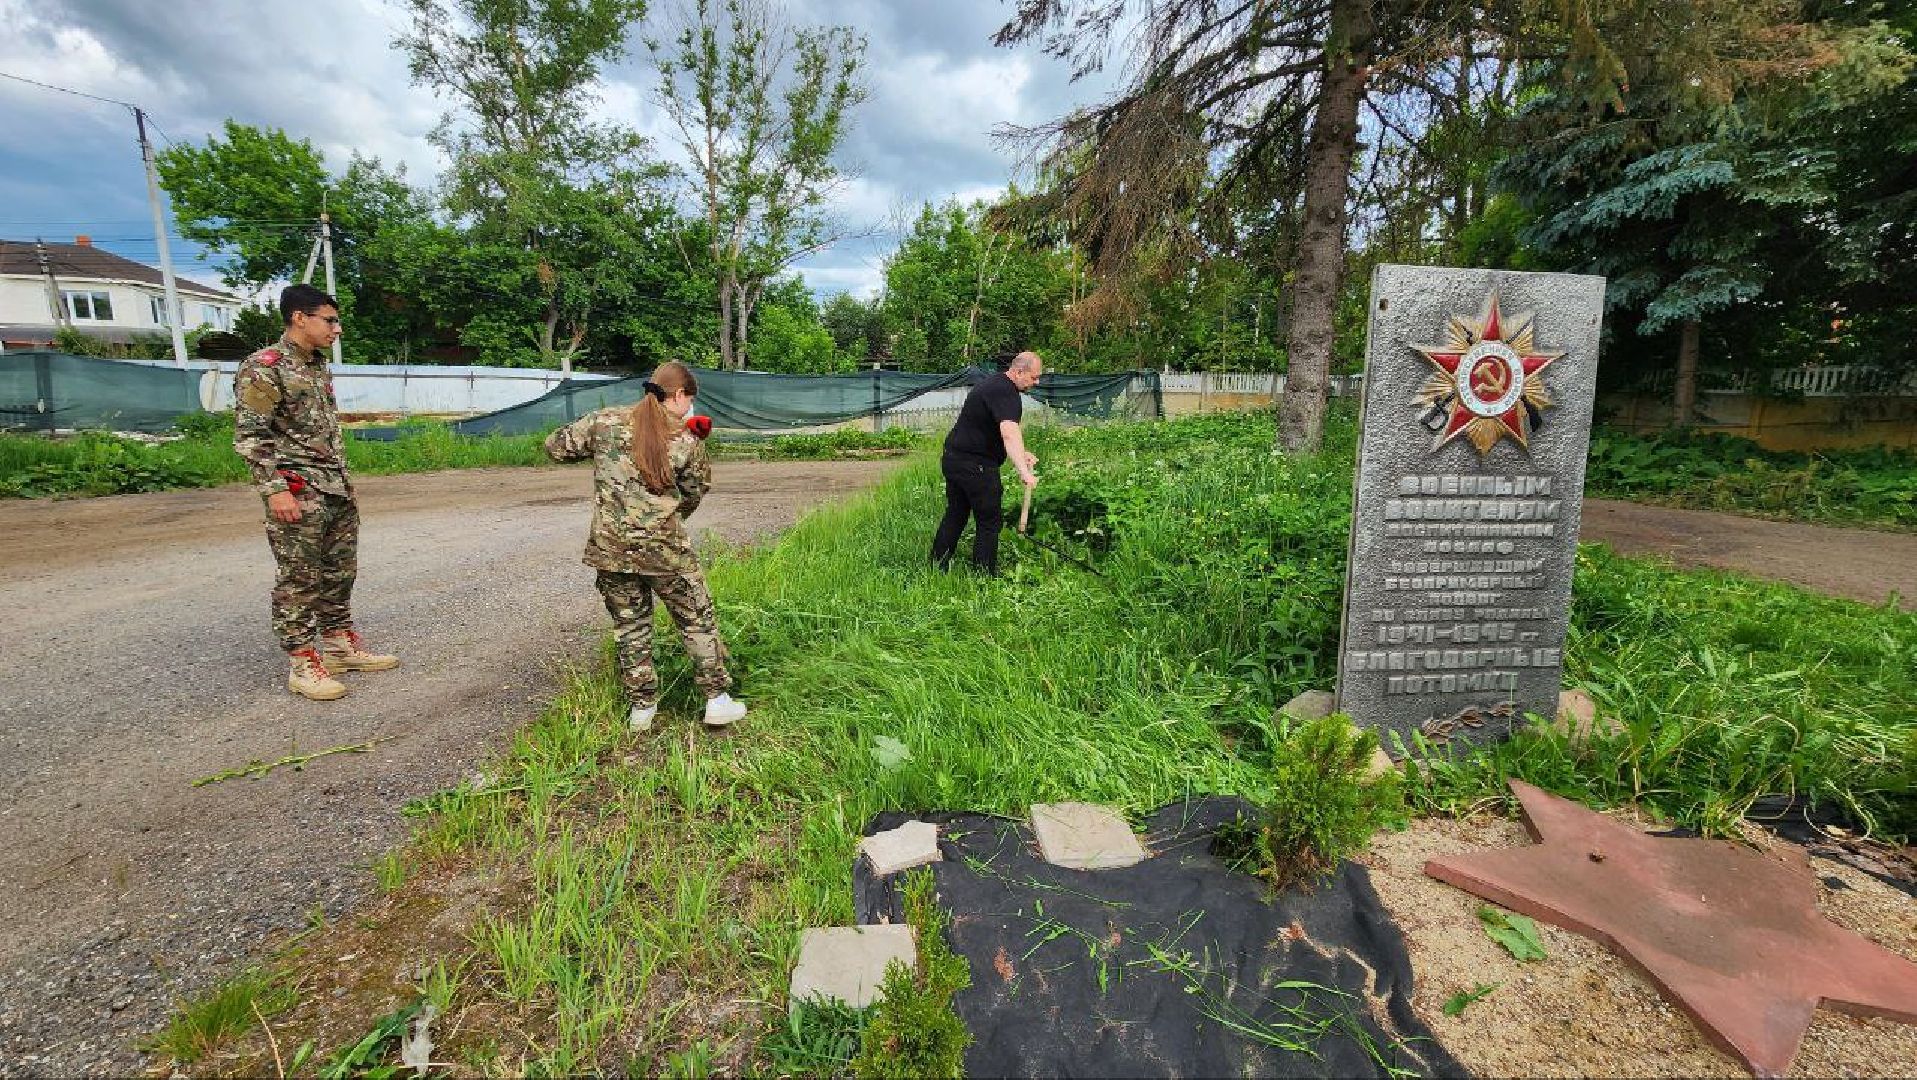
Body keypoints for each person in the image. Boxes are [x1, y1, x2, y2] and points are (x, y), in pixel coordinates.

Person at [544, 362, 746, 732]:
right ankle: (716, 701)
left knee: (631, 627)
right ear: (680, 395)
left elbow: (556, 447)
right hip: (666, 551)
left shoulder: (603, 422)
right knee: (696, 621)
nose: (691, 408)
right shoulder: (686, 441)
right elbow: (693, 494)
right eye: (691, 400)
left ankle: (642, 709)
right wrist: (666, 516)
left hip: (611, 550)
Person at [233, 284, 399, 701]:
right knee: (300, 577)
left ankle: (339, 645)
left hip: (335, 486)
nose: (336, 329)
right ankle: (303, 661)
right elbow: (252, 435)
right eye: (330, 319)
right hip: (298, 489)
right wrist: (275, 491)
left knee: (340, 571)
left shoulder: (316, 366)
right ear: (299, 318)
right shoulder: (263, 367)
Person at [931, 350, 1043, 575]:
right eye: (1033, 377)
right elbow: (1009, 432)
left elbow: (989, 429)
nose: (1037, 382)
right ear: (1019, 372)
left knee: (956, 513)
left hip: (954, 459)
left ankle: (937, 565)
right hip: (976, 467)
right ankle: (984, 576)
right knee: (989, 522)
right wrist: (1024, 471)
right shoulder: (1006, 393)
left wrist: (1022, 453)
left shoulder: (993, 383)